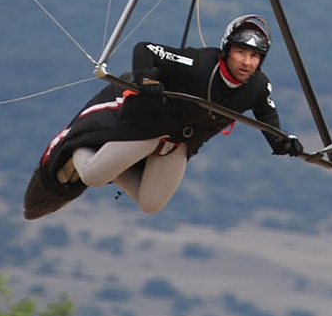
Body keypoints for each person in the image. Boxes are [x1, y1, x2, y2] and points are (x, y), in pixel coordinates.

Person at [23, 14, 304, 220]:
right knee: (94, 176)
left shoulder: (257, 86)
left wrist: (282, 142)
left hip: (177, 145)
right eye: (241, 52)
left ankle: (120, 167)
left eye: (255, 56)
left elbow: (266, 115)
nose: (246, 62)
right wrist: (146, 80)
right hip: (147, 130)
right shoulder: (197, 65)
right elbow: (146, 50)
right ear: (226, 50)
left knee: (151, 203)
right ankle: (78, 150)